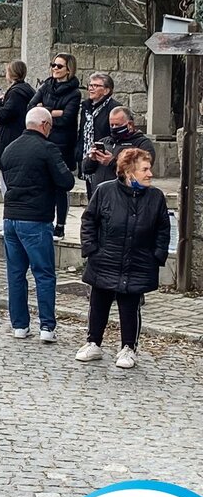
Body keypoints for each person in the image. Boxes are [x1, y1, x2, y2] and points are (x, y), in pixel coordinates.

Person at [77, 149, 170, 369]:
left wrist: (156, 256)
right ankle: (93, 343)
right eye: (145, 169)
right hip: (105, 260)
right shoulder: (104, 191)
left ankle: (129, 348)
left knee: (130, 307)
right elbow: (89, 221)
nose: (150, 174)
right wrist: (92, 250)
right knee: (99, 303)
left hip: (138, 261)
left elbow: (163, 230)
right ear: (129, 171)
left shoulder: (156, 197)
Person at [0, 107, 76, 342]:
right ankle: (47, 327)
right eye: (50, 127)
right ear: (44, 125)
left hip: (10, 218)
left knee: (15, 274)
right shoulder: (47, 149)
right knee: (43, 274)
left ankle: (20, 326)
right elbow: (66, 181)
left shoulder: (9, 149)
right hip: (35, 219)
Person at [28, 52, 81, 240]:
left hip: (62, 144)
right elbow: (31, 108)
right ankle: (46, 220)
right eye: (53, 65)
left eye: (59, 66)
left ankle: (61, 224)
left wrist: (44, 111)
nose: (55, 69)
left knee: (61, 186)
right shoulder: (46, 86)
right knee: (43, 183)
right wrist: (53, 112)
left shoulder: (74, 92)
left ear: (69, 69)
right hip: (43, 140)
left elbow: (67, 118)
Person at [81, 106, 155, 196]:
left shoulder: (142, 144)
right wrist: (91, 159)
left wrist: (112, 162)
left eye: (118, 125)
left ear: (130, 124)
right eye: (111, 125)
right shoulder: (104, 142)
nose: (114, 128)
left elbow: (141, 169)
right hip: (100, 194)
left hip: (127, 196)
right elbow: (86, 169)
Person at [0, 59, 35, 193]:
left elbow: (2, 115)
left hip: (10, 137)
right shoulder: (26, 90)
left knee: (8, 180)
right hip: (18, 135)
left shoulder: (16, 92)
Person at [76, 72, 120, 197]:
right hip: (88, 158)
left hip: (104, 158)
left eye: (96, 85)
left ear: (106, 90)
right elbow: (82, 132)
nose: (91, 88)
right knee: (91, 195)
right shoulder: (86, 107)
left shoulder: (115, 109)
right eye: (90, 85)